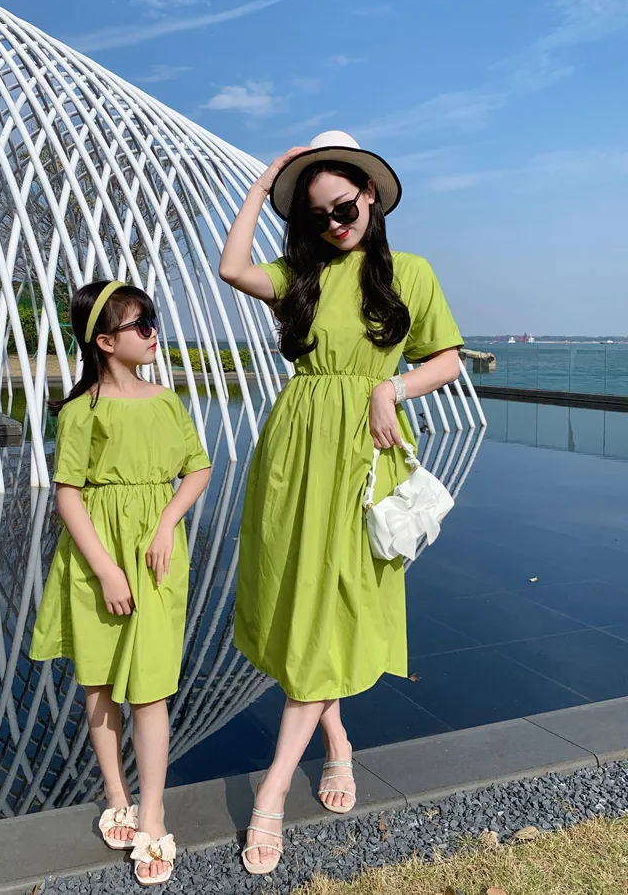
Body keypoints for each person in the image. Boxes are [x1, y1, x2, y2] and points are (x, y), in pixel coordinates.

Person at [219, 131, 463, 876]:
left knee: (332, 605)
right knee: (304, 608)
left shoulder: (410, 273)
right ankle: (338, 745)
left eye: (346, 206)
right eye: (318, 213)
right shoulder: (301, 272)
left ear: (371, 199)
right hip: (295, 454)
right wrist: (264, 185)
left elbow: (447, 358)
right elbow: (230, 267)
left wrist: (393, 385)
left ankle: (268, 797)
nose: (335, 222)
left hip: (364, 454)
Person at [30, 280, 211, 887]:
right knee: (102, 679)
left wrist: (165, 524)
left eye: (153, 320)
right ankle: (117, 792)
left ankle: (153, 812)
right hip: (98, 557)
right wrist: (106, 568)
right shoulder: (82, 412)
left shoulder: (166, 401)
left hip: (157, 555)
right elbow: (68, 496)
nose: (153, 332)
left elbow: (198, 467)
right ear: (105, 341)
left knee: (152, 686)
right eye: (141, 324)